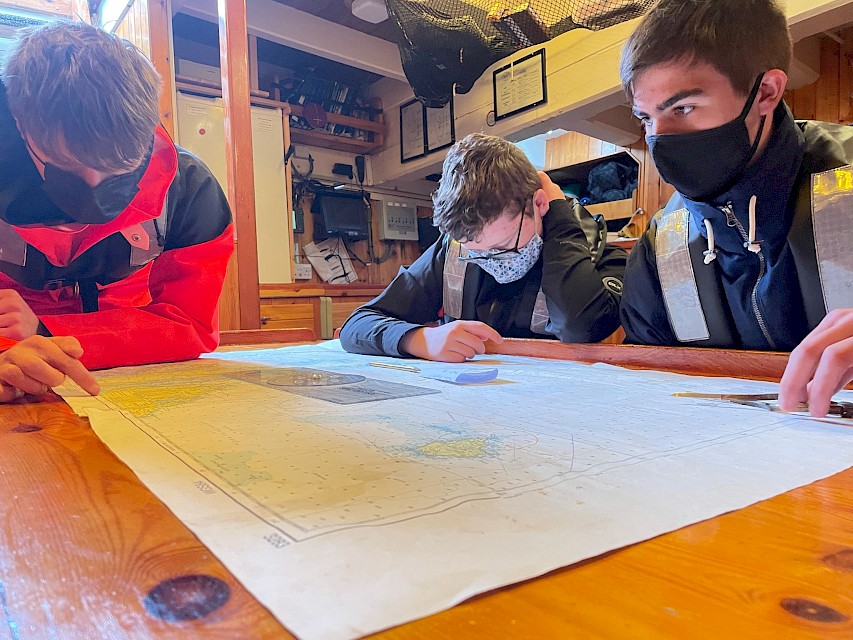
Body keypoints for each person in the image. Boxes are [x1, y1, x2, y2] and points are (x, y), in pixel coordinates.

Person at [617, 0, 853, 416]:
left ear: (766, 92)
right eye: (645, 119)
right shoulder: (659, 245)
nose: (659, 139)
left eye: (683, 108)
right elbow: (647, 390)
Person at [0, 22, 234, 400]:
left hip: (126, 348)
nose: (93, 196)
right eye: (63, 164)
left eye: (121, 169)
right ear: (19, 122)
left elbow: (191, 324)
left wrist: (46, 332)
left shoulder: (190, 190)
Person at [340, 133, 627, 362]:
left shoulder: (599, 253)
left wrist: (560, 220)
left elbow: (581, 328)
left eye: (503, 246)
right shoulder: (453, 249)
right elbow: (357, 324)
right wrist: (420, 339)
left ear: (539, 204)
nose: (491, 261)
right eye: (475, 251)